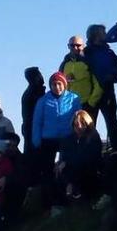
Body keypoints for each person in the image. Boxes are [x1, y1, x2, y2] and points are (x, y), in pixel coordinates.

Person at [32, 73, 82, 201]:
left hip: (67, 137)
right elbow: (37, 121)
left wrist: (78, 136)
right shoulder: (43, 100)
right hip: (48, 138)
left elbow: (79, 118)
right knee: (47, 170)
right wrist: (37, 140)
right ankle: (48, 201)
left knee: (66, 166)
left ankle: (68, 195)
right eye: (54, 84)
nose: (57, 87)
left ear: (64, 84)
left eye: (59, 84)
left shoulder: (74, 98)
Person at [84, 24, 117, 149]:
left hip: (108, 90)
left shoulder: (109, 52)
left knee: (112, 122)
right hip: (91, 93)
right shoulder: (87, 52)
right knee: (90, 123)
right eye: (103, 32)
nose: (106, 34)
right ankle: (90, 150)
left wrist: (113, 75)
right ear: (96, 34)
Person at [57, 110, 103, 202]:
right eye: (76, 124)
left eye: (83, 123)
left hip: (88, 170)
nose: (79, 127)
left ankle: (74, 190)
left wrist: (67, 162)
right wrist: (62, 163)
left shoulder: (93, 136)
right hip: (71, 169)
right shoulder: (68, 139)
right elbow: (65, 155)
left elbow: (89, 156)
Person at [59, 35, 103, 119]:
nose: (75, 48)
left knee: (87, 131)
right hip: (69, 105)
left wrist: (91, 103)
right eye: (72, 45)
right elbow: (60, 84)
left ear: (83, 46)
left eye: (78, 45)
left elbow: (98, 84)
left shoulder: (90, 62)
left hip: (86, 105)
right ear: (68, 46)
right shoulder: (65, 64)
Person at [21, 67, 45, 156]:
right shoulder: (32, 94)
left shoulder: (35, 92)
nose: (40, 77)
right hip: (33, 131)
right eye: (38, 75)